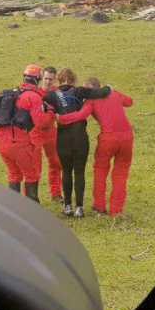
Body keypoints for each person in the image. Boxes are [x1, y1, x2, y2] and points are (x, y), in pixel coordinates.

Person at [57, 77, 133, 217]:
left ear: (90, 87)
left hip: (108, 138)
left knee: (100, 170)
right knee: (121, 173)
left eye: (85, 88)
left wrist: (61, 119)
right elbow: (129, 101)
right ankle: (116, 210)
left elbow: (81, 115)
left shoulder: (91, 100)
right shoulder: (114, 93)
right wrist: (114, 90)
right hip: (128, 136)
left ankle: (99, 205)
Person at [42, 68, 111, 218]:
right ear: (73, 79)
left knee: (66, 171)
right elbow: (101, 93)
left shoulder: (52, 95)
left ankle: (67, 206)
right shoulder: (79, 91)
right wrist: (109, 87)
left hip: (63, 138)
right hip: (80, 136)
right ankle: (79, 207)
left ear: (58, 80)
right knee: (79, 172)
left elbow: (42, 104)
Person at [0, 65, 54, 202]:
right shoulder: (32, 96)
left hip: (1, 141)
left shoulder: (12, 93)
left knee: (14, 175)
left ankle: (15, 210)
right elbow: (42, 123)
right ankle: (32, 211)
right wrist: (50, 112)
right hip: (17, 142)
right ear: (38, 80)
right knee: (32, 174)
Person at [32, 66, 63, 203]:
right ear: (41, 78)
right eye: (45, 78)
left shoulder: (57, 92)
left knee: (56, 162)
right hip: (35, 132)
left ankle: (56, 193)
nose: (48, 82)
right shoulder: (34, 92)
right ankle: (32, 197)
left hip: (51, 131)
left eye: (51, 79)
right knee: (35, 165)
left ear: (54, 79)